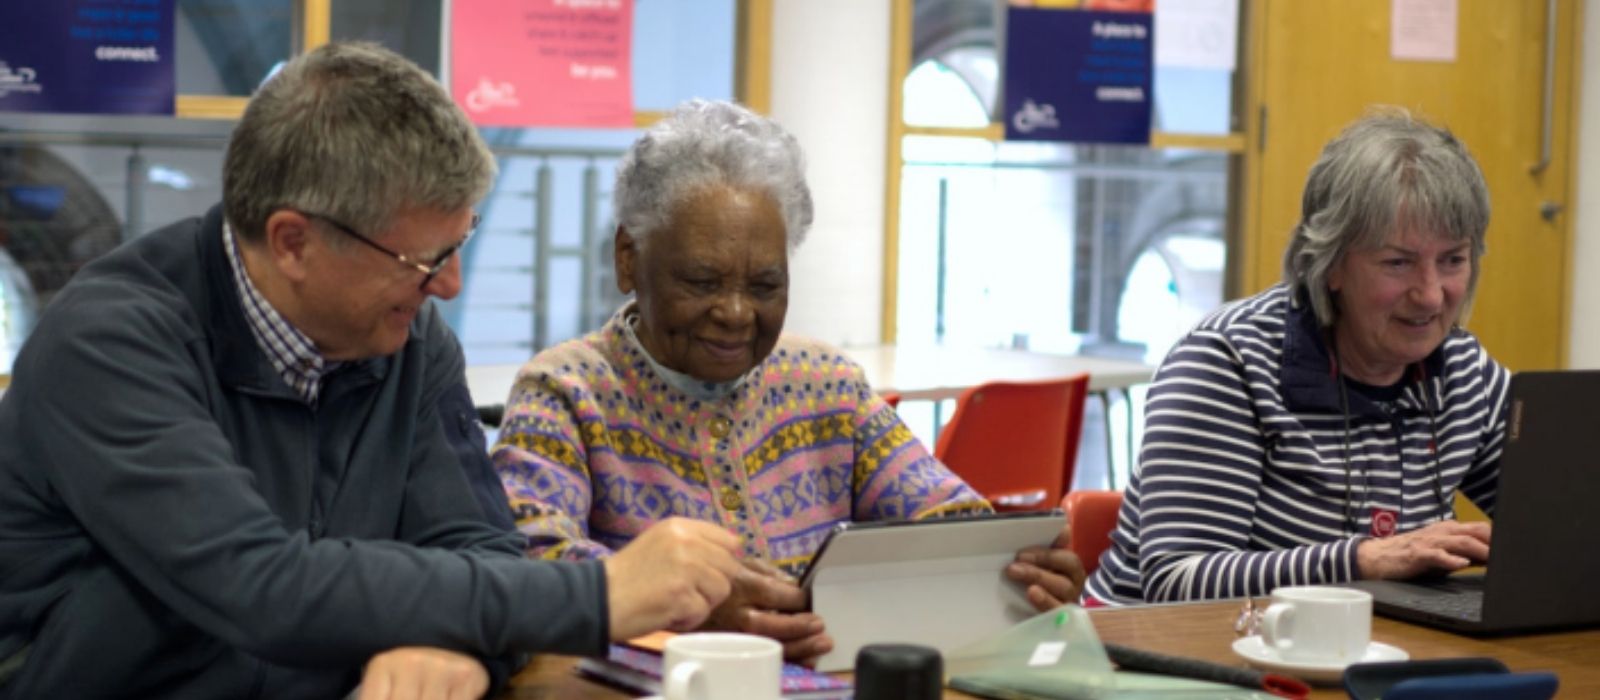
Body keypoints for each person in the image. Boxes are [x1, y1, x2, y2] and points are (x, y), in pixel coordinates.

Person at [0, 42, 745, 699]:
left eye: (461, 243)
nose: (449, 286)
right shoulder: (109, 345)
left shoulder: (406, 340)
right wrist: (599, 595)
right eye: (425, 260)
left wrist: (456, 646)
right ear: (292, 241)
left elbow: (480, 551)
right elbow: (261, 588)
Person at [491, 99, 1087, 662]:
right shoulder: (565, 392)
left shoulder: (825, 385)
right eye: (701, 281)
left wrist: (1015, 562)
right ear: (628, 257)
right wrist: (679, 602)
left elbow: (944, 514)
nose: (736, 312)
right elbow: (531, 561)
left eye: (766, 286)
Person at [1082, 110, 1508, 606]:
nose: (1432, 295)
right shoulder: (1228, 363)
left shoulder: (1463, 372)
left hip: (1356, 652)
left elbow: (1565, 521)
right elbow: (1179, 579)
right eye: (1398, 263)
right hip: (1163, 658)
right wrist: (1365, 560)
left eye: (1453, 260)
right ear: (1329, 265)